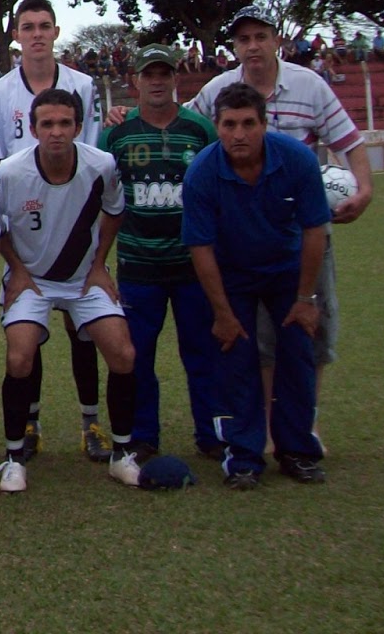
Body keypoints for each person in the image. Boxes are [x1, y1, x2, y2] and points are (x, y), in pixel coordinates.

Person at [187, 3, 372, 440]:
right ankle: (271, 428)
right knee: (263, 340)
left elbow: (350, 142)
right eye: (243, 39)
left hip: (302, 231)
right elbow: (183, 125)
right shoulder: (217, 90)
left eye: (260, 37)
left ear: (277, 40)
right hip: (243, 235)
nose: (252, 47)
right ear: (234, 46)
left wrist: (364, 191)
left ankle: (305, 422)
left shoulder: (310, 85)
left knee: (311, 324)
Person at [0, 89, 143, 493]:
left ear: (77, 126)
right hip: (33, 281)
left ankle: (122, 454)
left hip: (83, 279)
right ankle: (14, 458)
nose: (56, 132)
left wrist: (98, 265)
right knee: (20, 356)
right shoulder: (10, 172)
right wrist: (17, 270)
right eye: (47, 124)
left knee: (123, 353)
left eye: (64, 124)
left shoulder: (101, 164)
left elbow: (114, 210)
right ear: (34, 128)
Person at [0, 0, 109, 462]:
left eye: (44, 25)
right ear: (16, 36)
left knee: (86, 330)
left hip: (75, 220)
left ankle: (90, 422)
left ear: (56, 32)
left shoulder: (84, 84)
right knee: (26, 333)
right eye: (28, 26)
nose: (36, 33)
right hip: (25, 224)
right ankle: (30, 423)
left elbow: (92, 158)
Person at [182, 84, 329, 487]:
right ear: (217, 127)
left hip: (287, 270)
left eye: (249, 123)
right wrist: (223, 314)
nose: (239, 134)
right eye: (229, 124)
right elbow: (201, 247)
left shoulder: (297, 159)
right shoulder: (202, 173)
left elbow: (315, 229)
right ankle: (244, 456)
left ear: (265, 124)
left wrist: (305, 299)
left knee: (297, 356)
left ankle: (297, 451)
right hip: (233, 274)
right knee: (236, 359)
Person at [98, 46, 222, 460]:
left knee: (202, 353)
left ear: (176, 78)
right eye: (148, 74)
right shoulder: (115, 133)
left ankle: (211, 433)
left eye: (164, 74)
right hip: (138, 265)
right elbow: (101, 198)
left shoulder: (200, 129)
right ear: (134, 81)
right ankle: (143, 435)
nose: (156, 81)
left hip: (192, 266)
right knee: (138, 357)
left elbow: (215, 194)